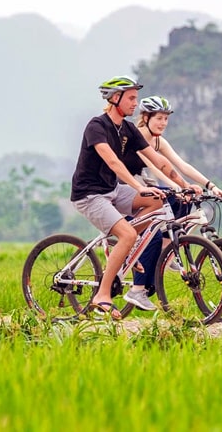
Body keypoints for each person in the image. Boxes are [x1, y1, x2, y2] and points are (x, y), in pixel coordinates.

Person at [70, 76, 196, 319]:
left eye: (136, 98)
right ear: (114, 98)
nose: (134, 104)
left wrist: (184, 186)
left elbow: (159, 160)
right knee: (128, 232)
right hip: (90, 194)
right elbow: (113, 162)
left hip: (113, 191)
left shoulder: (127, 129)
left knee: (159, 201)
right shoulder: (96, 126)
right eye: (130, 98)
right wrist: (139, 187)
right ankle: (102, 295)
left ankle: (128, 248)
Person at [122, 95, 222, 294]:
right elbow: (157, 168)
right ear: (146, 117)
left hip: (144, 186)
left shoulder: (158, 141)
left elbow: (181, 165)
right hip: (126, 188)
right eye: (159, 118)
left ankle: (167, 250)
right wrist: (178, 187)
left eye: (166, 118)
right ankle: (153, 260)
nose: (163, 123)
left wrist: (211, 186)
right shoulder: (136, 137)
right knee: (172, 201)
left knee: (184, 202)